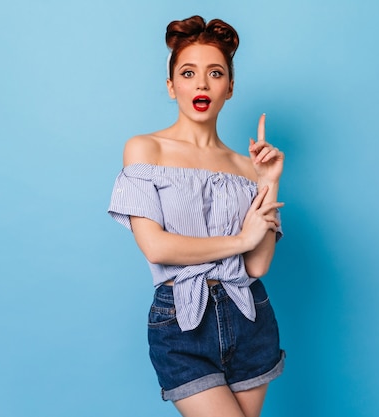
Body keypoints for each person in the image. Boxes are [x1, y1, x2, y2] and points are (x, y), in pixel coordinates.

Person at [108, 15, 285, 417]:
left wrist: (269, 180)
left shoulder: (246, 167)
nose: (202, 83)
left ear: (230, 87)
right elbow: (156, 247)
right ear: (172, 87)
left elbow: (257, 265)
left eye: (215, 73)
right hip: (182, 322)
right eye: (188, 73)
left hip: (249, 315)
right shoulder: (145, 150)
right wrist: (239, 241)